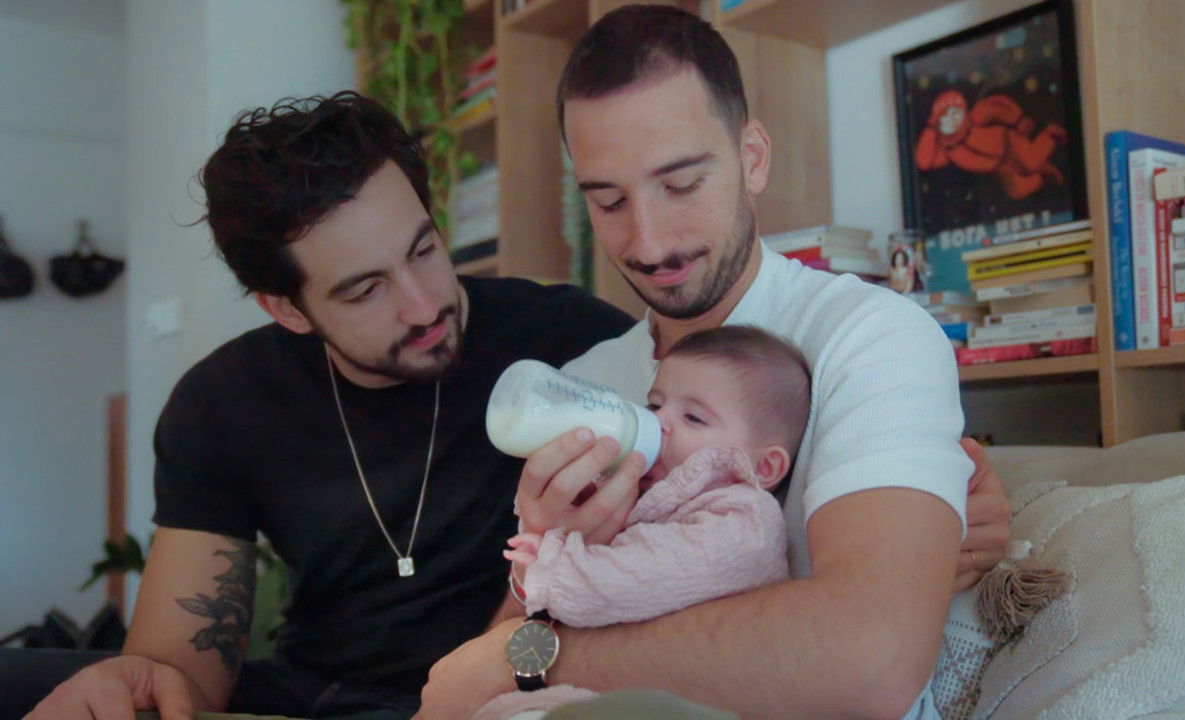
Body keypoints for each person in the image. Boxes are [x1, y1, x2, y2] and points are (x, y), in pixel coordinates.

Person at [418, 6, 1011, 720]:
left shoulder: (869, 338)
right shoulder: (591, 381)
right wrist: (544, 550)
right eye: (609, 201)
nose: (649, 242)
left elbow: (870, 661)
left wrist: (529, 662)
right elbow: (488, 669)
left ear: (752, 158)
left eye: (681, 185)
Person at [24, 93, 636, 720]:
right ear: (287, 309)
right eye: (367, 290)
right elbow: (183, 674)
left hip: (512, 685)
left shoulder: (569, 337)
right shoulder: (223, 402)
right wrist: (135, 685)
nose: (424, 305)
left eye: (423, 250)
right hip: (315, 699)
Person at [474, 325, 809, 719]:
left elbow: (628, 580)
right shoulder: (645, 496)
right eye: (654, 405)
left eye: (693, 417)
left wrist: (551, 569)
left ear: (765, 467)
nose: (660, 421)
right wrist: (551, 534)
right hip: (592, 687)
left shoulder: (742, 520)